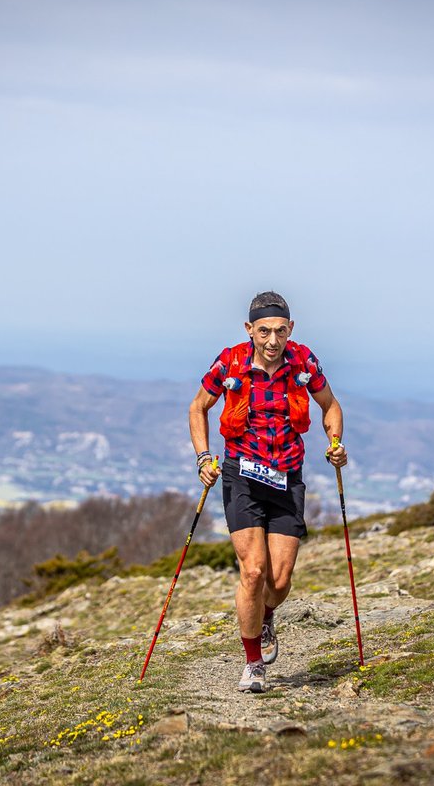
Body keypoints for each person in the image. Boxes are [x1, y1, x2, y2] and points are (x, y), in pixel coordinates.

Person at [189, 290, 348, 693]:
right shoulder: (230, 363)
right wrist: (204, 458)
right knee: (254, 570)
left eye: (280, 331)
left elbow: (330, 406)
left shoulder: (303, 362)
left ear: (290, 329)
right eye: (264, 332)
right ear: (249, 330)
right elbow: (198, 407)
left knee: (279, 580)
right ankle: (253, 664)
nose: (272, 341)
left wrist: (335, 443)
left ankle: (265, 616)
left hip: (286, 477)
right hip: (240, 476)